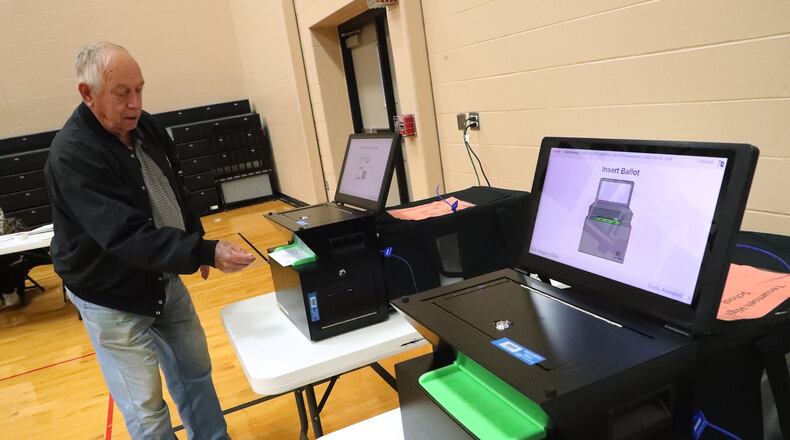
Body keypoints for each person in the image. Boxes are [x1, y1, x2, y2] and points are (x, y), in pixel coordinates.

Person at [44, 41, 255, 439]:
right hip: (110, 296)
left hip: (163, 280)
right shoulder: (73, 154)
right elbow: (126, 236)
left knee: (196, 374)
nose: (135, 102)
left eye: (140, 89)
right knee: (146, 409)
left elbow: (176, 190)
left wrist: (196, 239)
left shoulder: (147, 128)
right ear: (87, 93)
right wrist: (202, 251)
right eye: (122, 92)